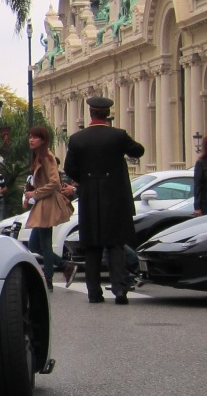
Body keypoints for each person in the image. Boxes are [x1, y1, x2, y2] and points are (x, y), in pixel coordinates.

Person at [63, 97, 145, 304]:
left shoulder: (77, 138)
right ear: (107, 114)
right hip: (115, 196)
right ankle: (119, 290)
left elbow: (70, 168)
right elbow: (138, 151)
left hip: (90, 197)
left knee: (92, 246)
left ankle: (94, 292)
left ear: (90, 114)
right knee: (116, 245)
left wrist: (87, 181)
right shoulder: (118, 136)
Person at [24, 125, 74, 290]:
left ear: (43, 140)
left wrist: (36, 193)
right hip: (42, 202)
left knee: (44, 243)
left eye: (35, 137)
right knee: (35, 244)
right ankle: (64, 265)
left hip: (47, 202)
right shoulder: (39, 156)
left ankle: (49, 279)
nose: (31, 139)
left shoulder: (46, 156)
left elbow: (54, 182)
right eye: (30, 136)